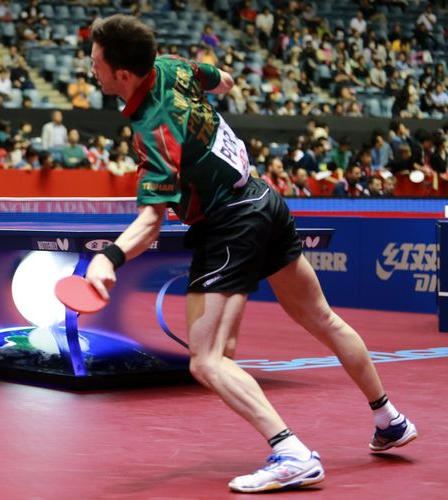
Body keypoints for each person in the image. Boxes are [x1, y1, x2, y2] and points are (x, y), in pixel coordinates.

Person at [84, 15, 417, 494]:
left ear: (122, 74)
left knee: (206, 360)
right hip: (263, 198)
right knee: (321, 318)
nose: (90, 68)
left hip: (228, 224)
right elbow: (225, 81)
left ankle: (291, 454)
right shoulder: (173, 66)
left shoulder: (153, 129)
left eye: (96, 61)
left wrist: (108, 258)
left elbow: (152, 220)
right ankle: (390, 420)